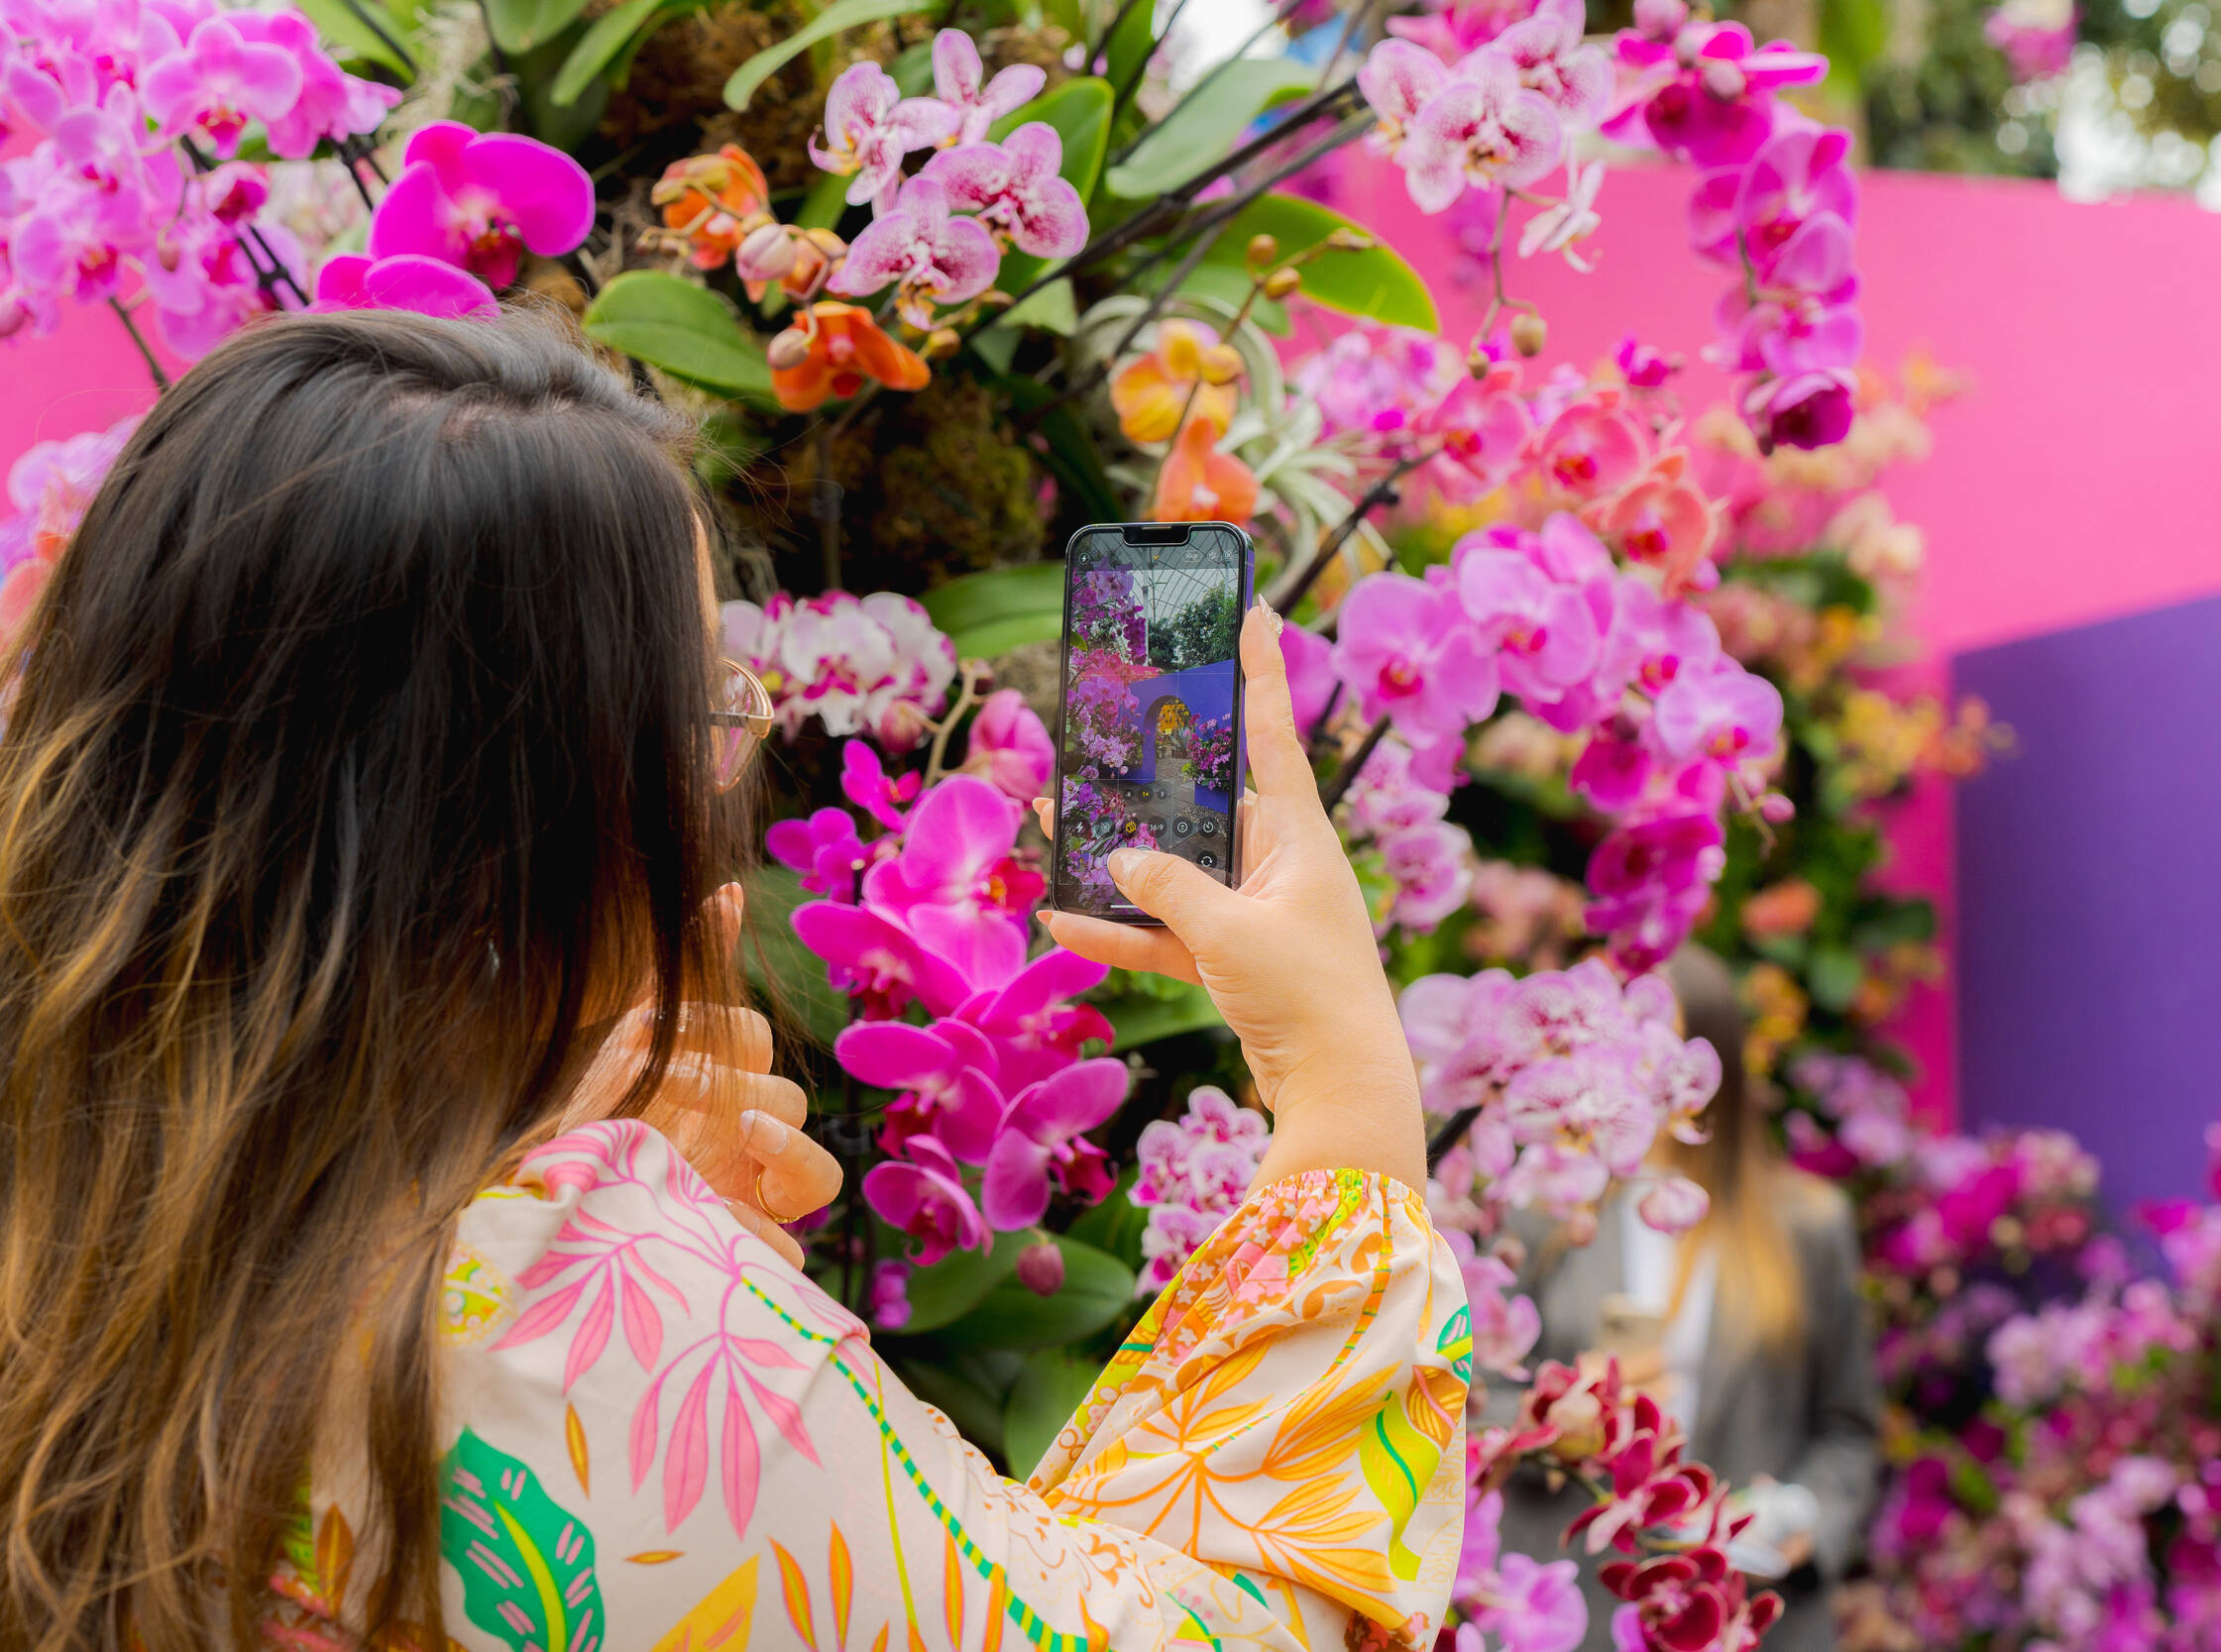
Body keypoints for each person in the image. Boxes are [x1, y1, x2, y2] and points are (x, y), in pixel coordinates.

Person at [0, 310, 1465, 1652]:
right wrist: (1346, 1094)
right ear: (523, 809)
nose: (724, 771)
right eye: (700, 709)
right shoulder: (579, 1317)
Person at [1499, 945, 1880, 1652]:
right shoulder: (1541, 1208)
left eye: (1652, 1043)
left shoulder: (1806, 1226)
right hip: (1571, 1609)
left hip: (1745, 1608)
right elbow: (1461, 1401)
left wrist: (1807, 1518)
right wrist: (1552, 1419)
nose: (1626, 1068)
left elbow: (1848, 1430)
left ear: (1712, 1066)